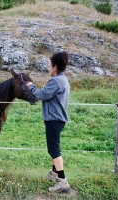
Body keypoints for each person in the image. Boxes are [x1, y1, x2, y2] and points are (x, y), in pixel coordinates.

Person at [26, 51, 70, 193]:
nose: (48, 68)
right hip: (57, 119)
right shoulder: (63, 80)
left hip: (54, 120)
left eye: (49, 65)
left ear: (55, 67)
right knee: (54, 148)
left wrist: (31, 86)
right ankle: (55, 174)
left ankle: (62, 182)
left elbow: (42, 95)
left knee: (54, 150)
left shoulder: (56, 81)